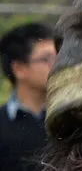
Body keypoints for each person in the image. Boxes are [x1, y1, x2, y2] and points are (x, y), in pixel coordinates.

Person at [0, 22, 56, 171]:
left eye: (59, 56)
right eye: (46, 59)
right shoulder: (2, 125)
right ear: (19, 69)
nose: (57, 65)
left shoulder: (68, 120)